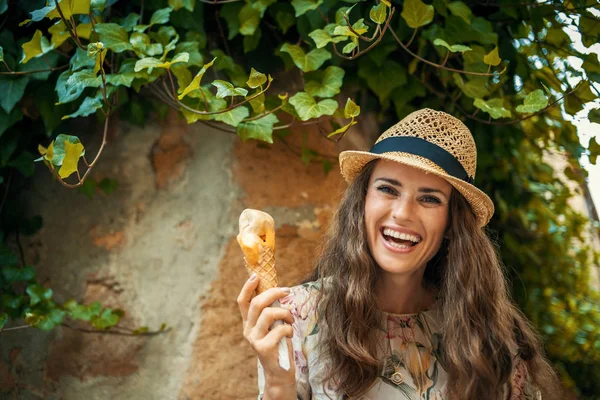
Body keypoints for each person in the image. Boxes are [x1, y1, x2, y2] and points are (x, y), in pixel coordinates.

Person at [237, 108, 561, 399]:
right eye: (388, 189)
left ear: (451, 223)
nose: (403, 213)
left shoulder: (490, 337)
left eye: (430, 199)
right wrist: (278, 383)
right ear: (362, 201)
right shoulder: (297, 317)